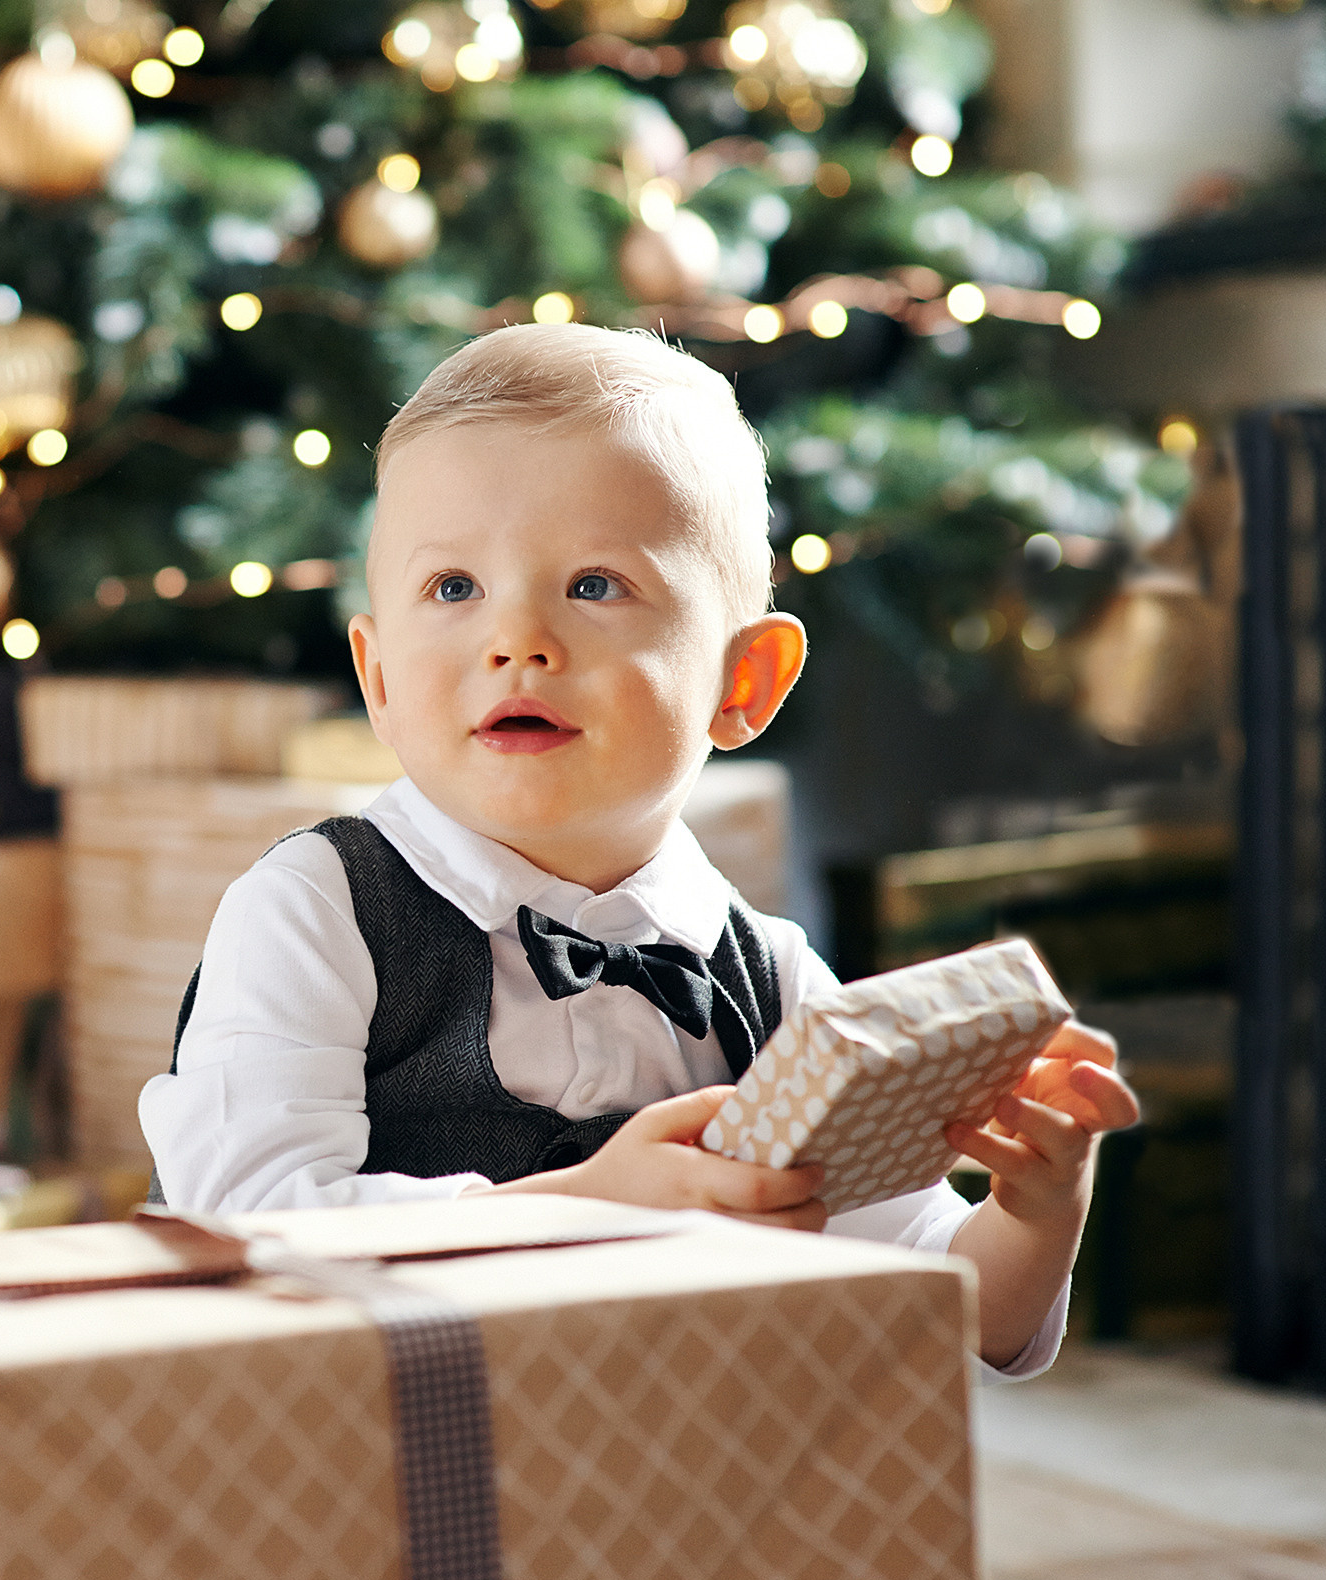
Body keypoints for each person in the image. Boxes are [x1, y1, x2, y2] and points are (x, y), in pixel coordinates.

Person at [138, 323, 1138, 1379]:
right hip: (375, 1472)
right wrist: (585, 1206)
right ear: (378, 678)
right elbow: (240, 1234)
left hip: (652, 1491)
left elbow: (946, 1303)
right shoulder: (317, 909)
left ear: (741, 683)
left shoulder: (769, 981)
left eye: (594, 585)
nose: (516, 639)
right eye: (453, 588)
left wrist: (1036, 1207)